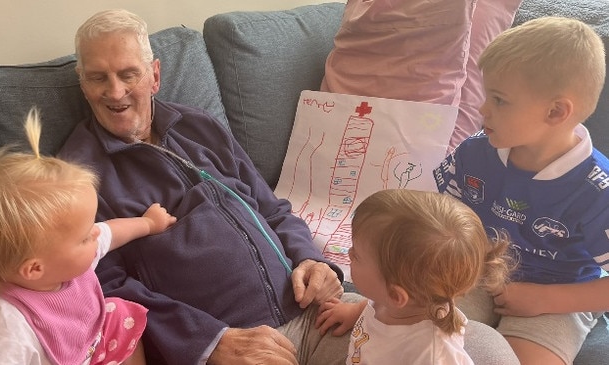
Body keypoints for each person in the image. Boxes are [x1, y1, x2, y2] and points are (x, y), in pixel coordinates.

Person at [59, 8, 520, 365]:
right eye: (98, 77)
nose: (115, 91)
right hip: (232, 342)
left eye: (128, 74)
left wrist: (313, 258)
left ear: (154, 75)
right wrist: (208, 341)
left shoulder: (196, 125)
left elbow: (269, 204)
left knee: (485, 348)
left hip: (315, 313)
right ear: (82, 83)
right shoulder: (77, 174)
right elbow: (102, 289)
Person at [434, 16, 609, 365]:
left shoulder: (597, 191)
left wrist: (544, 300)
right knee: (427, 340)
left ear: (556, 111)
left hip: (558, 294)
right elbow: (442, 219)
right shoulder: (474, 152)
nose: (483, 110)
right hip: (474, 273)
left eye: (499, 100)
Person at [0, 108, 178, 364]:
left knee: (119, 313)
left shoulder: (59, 260)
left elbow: (110, 232)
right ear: (34, 269)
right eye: (85, 237)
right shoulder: (1, 332)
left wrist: (148, 223)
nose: (95, 232)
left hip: (90, 343)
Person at [315, 189, 513, 364]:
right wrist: (354, 312)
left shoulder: (432, 354)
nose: (349, 254)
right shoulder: (404, 298)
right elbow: (374, 304)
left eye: (356, 255)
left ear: (396, 295)